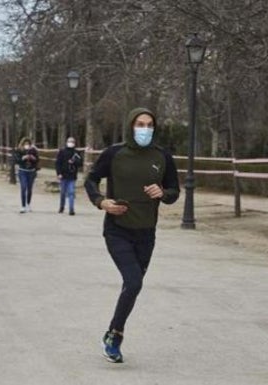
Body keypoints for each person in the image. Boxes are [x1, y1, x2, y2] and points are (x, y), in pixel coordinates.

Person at [84, 107, 180, 363]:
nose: (145, 129)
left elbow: (174, 191)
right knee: (134, 281)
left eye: (149, 125)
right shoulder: (115, 153)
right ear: (131, 125)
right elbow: (90, 180)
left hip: (146, 233)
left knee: (131, 287)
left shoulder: (162, 156)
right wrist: (101, 201)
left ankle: (112, 331)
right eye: (140, 124)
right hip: (117, 230)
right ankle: (115, 337)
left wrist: (163, 193)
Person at [55, 136, 83, 215]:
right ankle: (62, 207)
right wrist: (59, 173)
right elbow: (58, 163)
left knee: (71, 192)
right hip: (63, 176)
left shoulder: (76, 152)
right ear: (67, 142)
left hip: (72, 176)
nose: (71, 143)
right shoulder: (62, 151)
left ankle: (71, 209)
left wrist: (73, 162)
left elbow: (80, 163)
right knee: (63, 192)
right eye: (69, 141)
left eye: (72, 142)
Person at [14, 137, 39, 213]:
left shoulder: (33, 151)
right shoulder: (19, 151)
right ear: (22, 144)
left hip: (31, 171)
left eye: (28, 144)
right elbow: (16, 160)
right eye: (25, 144)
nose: (26, 145)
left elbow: (37, 160)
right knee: (23, 187)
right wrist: (23, 158)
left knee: (29, 189)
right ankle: (23, 206)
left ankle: (28, 204)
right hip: (22, 171)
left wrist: (33, 158)